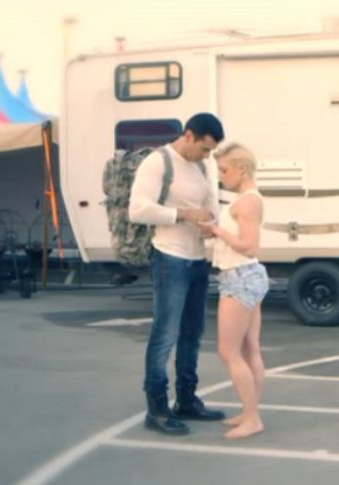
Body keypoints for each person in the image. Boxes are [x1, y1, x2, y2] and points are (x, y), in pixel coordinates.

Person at [128, 113, 226, 435]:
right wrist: (184, 214)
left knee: (192, 334)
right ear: (188, 136)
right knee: (165, 334)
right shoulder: (158, 162)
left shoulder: (201, 167)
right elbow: (138, 210)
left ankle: (187, 399)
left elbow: (210, 206)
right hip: (169, 258)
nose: (207, 156)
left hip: (197, 259)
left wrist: (211, 224)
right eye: (204, 148)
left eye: (211, 151)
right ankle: (157, 408)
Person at [198, 143, 269, 439]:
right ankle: (250, 411)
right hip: (246, 275)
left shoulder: (247, 202)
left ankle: (252, 418)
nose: (221, 176)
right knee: (249, 348)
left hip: (239, 276)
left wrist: (218, 231)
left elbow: (250, 246)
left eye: (224, 170)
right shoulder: (248, 199)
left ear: (242, 169)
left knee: (228, 351)